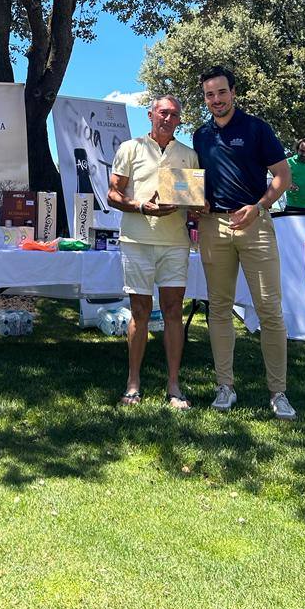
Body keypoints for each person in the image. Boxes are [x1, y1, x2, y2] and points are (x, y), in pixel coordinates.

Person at [192, 66, 296, 420]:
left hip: (255, 224)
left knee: (269, 309)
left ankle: (278, 393)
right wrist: (198, 201)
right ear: (204, 98)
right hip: (212, 227)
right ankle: (225, 386)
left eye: (221, 93)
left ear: (233, 92)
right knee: (218, 308)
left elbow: (283, 176)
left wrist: (260, 206)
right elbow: (197, 182)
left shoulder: (256, 128)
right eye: (209, 95)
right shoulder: (199, 135)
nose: (216, 100)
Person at [108, 95, 203, 409]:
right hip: (136, 241)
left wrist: (194, 209)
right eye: (163, 112)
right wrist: (139, 205)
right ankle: (133, 382)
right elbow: (113, 193)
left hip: (175, 242)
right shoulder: (130, 148)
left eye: (174, 115)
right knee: (140, 312)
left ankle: (174, 385)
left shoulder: (189, 155)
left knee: (174, 311)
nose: (168, 118)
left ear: (180, 120)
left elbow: (193, 204)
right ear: (150, 114)